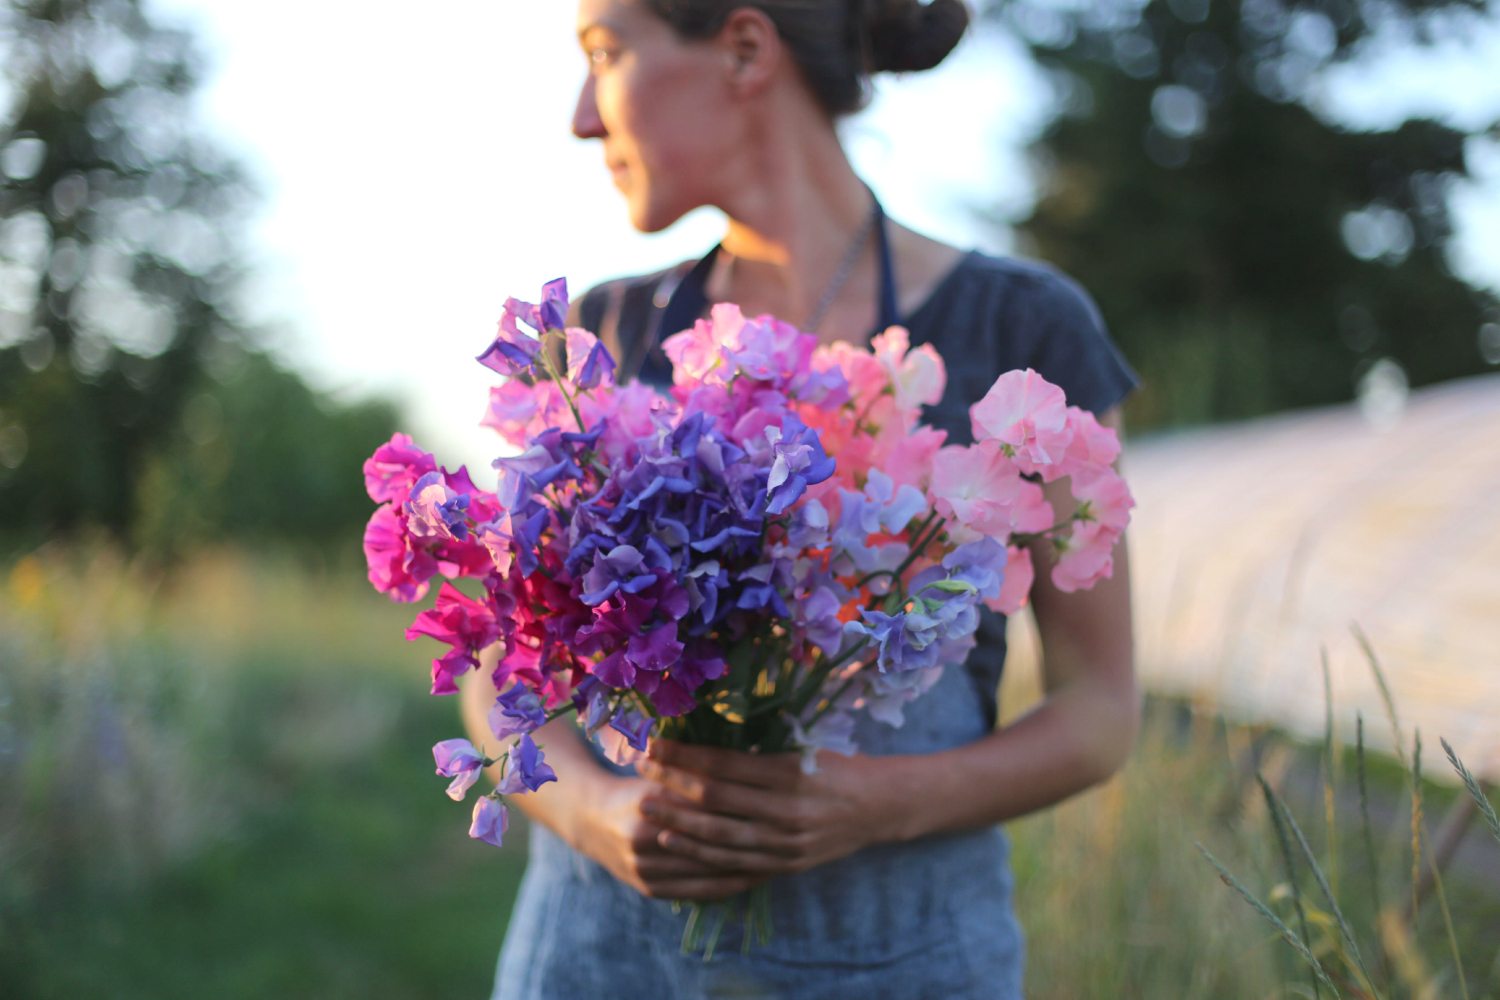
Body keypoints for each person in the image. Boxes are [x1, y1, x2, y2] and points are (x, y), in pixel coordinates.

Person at [460, 1, 1140, 996]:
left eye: (605, 54)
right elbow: (497, 663)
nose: (582, 116)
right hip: (596, 956)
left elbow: (1099, 709)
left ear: (743, 48)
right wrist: (595, 815)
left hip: (899, 960)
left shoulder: (1023, 326)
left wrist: (872, 800)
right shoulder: (601, 335)